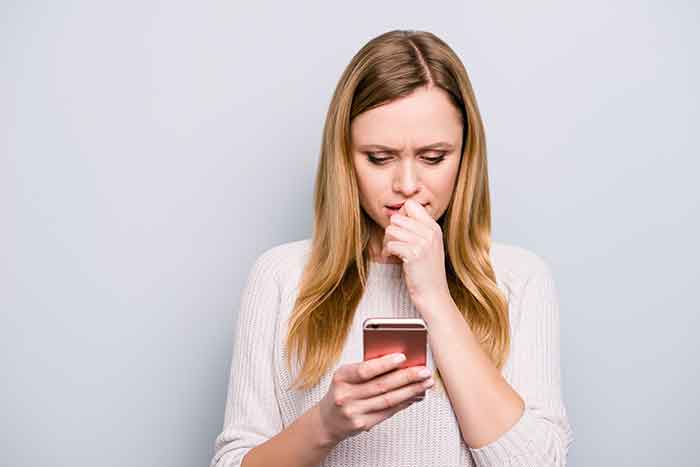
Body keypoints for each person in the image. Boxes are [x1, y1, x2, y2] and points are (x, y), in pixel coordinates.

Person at [209, 29, 574, 467]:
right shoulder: (281, 275)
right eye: (379, 158)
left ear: (466, 155)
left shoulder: (518, 279)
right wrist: (326, 423)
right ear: (344, 156)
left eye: (434, 157)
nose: (406, 186)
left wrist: (434, 296)